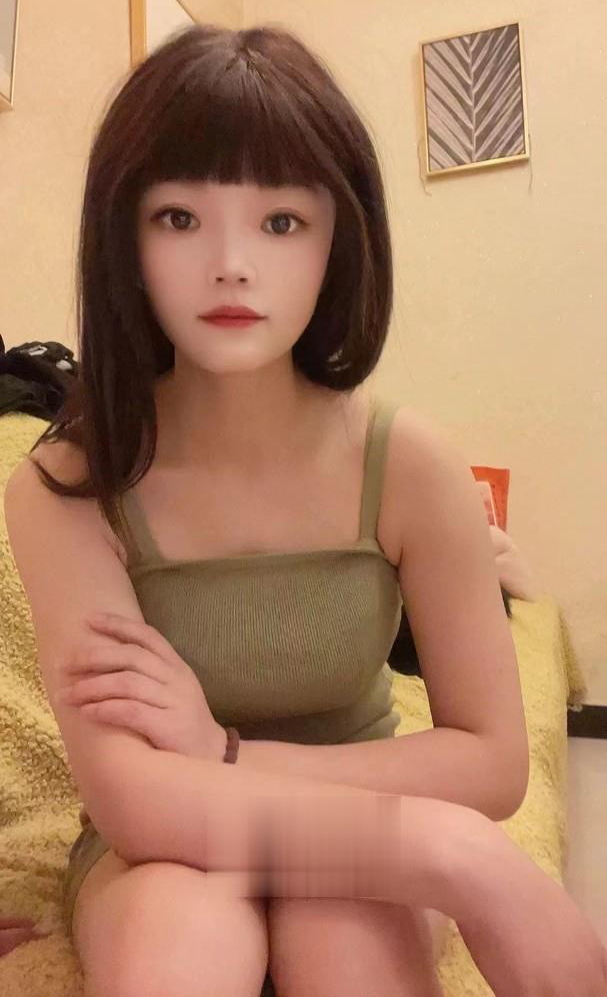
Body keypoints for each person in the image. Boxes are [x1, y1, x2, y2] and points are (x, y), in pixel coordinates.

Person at [4, 22, 606, 997]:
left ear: (339, 241)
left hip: (360, 828)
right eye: (179, 218)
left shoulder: (410, 464)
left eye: (280, 221)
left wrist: (225, 752)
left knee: (344, 947)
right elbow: (140, 800)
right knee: (178, 944)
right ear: (124, 241)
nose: (231, 263)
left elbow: (491, 762)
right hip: (165, 847)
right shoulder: (66, 483)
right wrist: (455, 854)